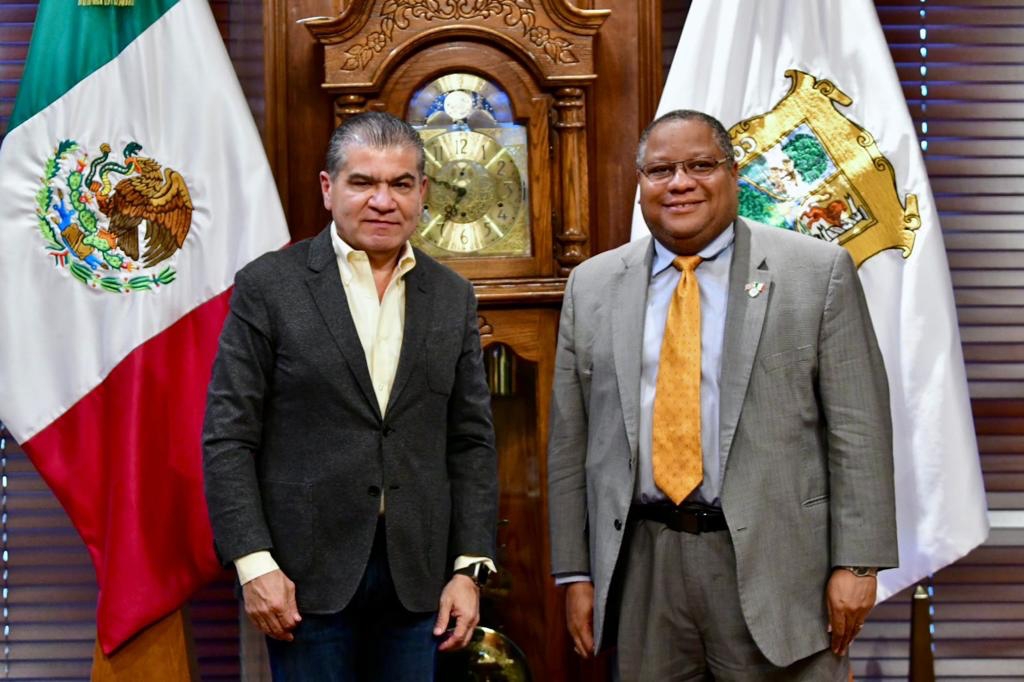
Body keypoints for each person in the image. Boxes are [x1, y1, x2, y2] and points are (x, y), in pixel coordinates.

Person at [547, 109, 898, 680]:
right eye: (660, 170)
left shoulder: (815, 272)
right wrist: (574, 573)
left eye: (700, 165)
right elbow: (571, 443)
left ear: (734, 175)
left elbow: (859, 429)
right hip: (644, 565)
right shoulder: (592, 286)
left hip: (779, 566)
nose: (680, 183)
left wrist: (858, 564)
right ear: (640, 185)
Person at [203, 111, 498, 681]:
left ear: (423, 193)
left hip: (419, 580)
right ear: (328, 188)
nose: (382, 200)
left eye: (401, 183)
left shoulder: (451, 295)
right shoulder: (269, 286)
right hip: (302, 580)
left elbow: (471, 441)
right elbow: (229, 436)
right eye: (363, 182)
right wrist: (253, 563)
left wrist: (469, 566)